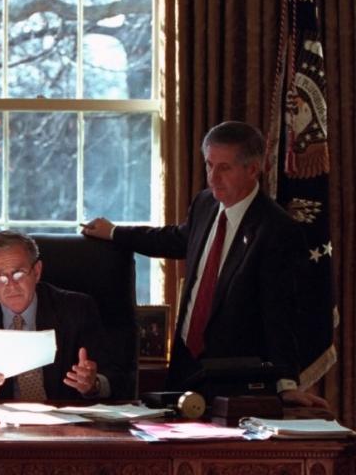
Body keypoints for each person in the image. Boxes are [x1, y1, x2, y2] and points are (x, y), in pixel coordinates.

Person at [82, 120, 328, 408]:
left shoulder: (276, 230)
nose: (213, 178)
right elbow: (175, 239)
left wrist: (286, 383)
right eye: (209, 165)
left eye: (224, 168)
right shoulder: (205, 204)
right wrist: (115, 233)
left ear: (253, 168)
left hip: (233, 378)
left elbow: (281, 314)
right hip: (185, 366)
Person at [0, 230, 116, 401]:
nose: (11, 285)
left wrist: (93, 384)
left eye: (19, 273)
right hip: (0, 424)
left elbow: (114, 377)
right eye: (0, 277)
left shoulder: (76, 309)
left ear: (37, 271)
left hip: (65, 422)